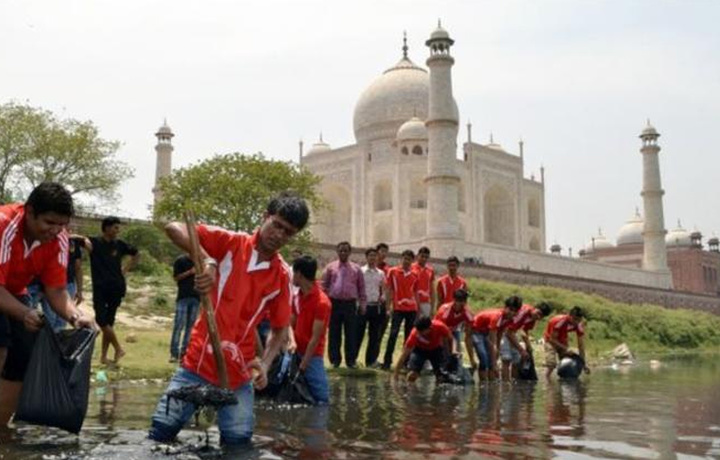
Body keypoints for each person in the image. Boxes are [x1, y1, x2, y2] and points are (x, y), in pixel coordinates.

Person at [149, 191, 309, 446]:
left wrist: (265, 365)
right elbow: (173, 227)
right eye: (276, 225)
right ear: (265, 217)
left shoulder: (282, 276)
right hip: (196, 364)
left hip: (239, 372)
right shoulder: (230, 243)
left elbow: (279, 330)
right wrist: (206, 259)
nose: (279, 234)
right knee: (159, 436)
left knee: (238, 444)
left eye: (288, 232)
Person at [0, 182, 96, 428]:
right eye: (49, 223)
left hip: (12, 291)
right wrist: (25, 312)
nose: (55, 230)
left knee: (23, 353)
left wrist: (75, 315)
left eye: (61, 224)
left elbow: (55, 290)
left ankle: (1, 430)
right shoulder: (4, 226)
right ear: (29, 212)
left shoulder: (59, 240)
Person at [84, 216, 139, 364]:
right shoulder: (94, 242)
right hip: (100, 287)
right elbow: (81, 241)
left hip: (117, 286)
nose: (118, 230)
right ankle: (118, 348)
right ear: (106, 228)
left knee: (109, 321)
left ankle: (103, 356)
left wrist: (125, 269)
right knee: (101, 320)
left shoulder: (120, 244)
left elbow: (136, 253)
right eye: (115, 227)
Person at [288, 255, 331, 404]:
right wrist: (291, 342)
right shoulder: (297, 296)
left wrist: (304, 364)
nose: (292, 277)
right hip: (294, 351)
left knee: (322, 398)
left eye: (293, 273)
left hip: (312, 355)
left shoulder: (322, 302)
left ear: (299, 274)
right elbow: (290, 323)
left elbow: (315, 338)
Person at [26, 235, 86, 332]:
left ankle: (53, 343)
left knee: (60, 321)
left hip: (67, 283)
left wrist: (79, 290)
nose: (57, 228)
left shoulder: (73, 243)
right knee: (48, 318)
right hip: (44, 284)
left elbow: (78, 267)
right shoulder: (45, 240)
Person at [320, 241, 366, 369]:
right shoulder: (330, 267)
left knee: (351, 333)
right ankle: (335, 361)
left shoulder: (356, 269)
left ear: (350, 252)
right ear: (337, 252)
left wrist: (363, 304)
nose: (343, 253)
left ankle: (351, 361)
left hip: (350, 304)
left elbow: (361, 288)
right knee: (334, 333)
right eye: (341, 250)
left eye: (346, 250)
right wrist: (325, 302)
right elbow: (323, 285)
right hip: (334, 303)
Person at [382, 249, 420, 370]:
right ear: (401, 258)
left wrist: (418, 309)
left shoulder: (415, 274)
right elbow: (389, 289)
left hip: (411, 308)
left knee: (409, 337)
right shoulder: (393, 271)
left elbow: (416, 292)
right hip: (398, 307)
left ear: (412, 261)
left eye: (409, 259)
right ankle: (387, 362)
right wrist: (388, 306)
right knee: (393, 334)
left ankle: (405, 363)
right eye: (405, 258)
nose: (406, 261)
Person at [470, 296, 522, 381]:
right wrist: (495, 364)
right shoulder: (497, 317)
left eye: (515, 311)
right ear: (505, 308)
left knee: (491, 358)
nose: (512, 313)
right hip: (476, 331)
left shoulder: (509, 319)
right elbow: (492, 341)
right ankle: (483, 383)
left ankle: (491, 383)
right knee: (484, 357)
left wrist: (496, 352)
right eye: (510, 310)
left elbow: (499, 335)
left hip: (486, 332)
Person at [500, 302, 552, 380]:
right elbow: (508, 332)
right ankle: (505, 384)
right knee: (506, 359)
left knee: (516, 361)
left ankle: (514, 383)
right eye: (538, 313)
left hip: (512, 333)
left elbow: (524, 330)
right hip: (502, 331)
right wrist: (521, 349)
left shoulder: (532, 319)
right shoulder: (523, 312)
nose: (538, 317)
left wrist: (528, 346)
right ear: (534, 308)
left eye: (541, 316)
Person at [393, 316, 452, 383]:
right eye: (418, 331)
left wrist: (450, 353)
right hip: (419, 351)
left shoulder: (440, 326)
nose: (419, 333)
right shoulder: (414, 334)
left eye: (421, 332)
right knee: (413, 374)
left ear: (429, 328)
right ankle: (409, 390)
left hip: (436, 350)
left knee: (440, 376)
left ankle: (437, 391)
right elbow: (404, 355)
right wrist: (396, 374)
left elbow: (450, 338)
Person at [356, 247, 386, 368]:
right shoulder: (360, 271)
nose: (373, 258)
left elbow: (383, 288)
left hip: (376, 306)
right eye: (370, 255)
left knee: (374, 336)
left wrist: (383, 296)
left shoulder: (381, 273)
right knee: (358, 334)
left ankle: (370, 361)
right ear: (366, 257)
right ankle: (353, 359)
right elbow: (356, 288)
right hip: (363, 306)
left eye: (375, 256)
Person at [434, 288, 477, 369]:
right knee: (445, 354)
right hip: (438, 331)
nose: (461, 305)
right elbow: (442, 333)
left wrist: (472, 359)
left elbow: (468, 337)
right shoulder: (444, 311)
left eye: (463, 302)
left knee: (457, 355)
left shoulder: (467, 312)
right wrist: (449, 351)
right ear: (454, 301)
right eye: (459, 302)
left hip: (453, 331)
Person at [543, 306, 590, 379]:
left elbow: (581, 346)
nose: (576, 322)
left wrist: (583, 364)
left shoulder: (578, 325)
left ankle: (564, 379)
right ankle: (547, 381)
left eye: (579, 320)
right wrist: (566, 348)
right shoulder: (560, 321)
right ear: (569, 316)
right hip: (550, 340)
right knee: (551, 364)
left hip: (562, 340)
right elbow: (552, 339)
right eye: (575, 319)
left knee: (568, 360)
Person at [169, 253, 200, 363]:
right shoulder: (181, 260)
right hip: (183, 297)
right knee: (179, 325)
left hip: (196, 298)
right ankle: (174, 353)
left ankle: (185, 353)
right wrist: (190, 272)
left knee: (191, 327)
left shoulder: (200, 260)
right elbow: (176, 277)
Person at [411, 246, 435, 317]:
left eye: (426, 257)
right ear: (417, 256)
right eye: (422, 256)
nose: (424, 259)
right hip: (412, 301)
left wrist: (432, 306)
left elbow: (432, 289)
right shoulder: (411, 267)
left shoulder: (430, 270)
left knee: (426, 326)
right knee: (412, 325)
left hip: (425, 302)